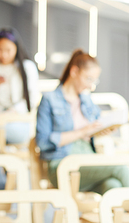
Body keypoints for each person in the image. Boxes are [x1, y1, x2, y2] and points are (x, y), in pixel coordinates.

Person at [36, 49, 129, 194]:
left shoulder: (86, 100)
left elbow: (95, 127)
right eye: (88, 79)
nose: (91, 85)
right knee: (121, 167)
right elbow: (42, 142)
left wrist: (103, 130)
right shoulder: (49, 100)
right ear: (74, 72)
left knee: (113, 186)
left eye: (94, 80)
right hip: (63, 165)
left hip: (88, 160)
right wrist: (82, 132)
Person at [0, 27, 39, 143]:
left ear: (16, 48)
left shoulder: (27, 67)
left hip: (18, 119)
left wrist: (11, 112)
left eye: (8, 50)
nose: (3, 55)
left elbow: (32, 100)